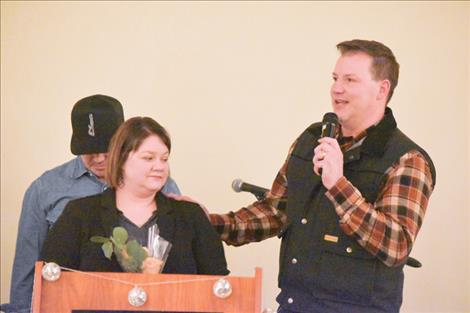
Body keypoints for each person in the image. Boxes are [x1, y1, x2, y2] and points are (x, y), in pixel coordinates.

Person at [210, 40, 436, 313]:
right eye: (335, 78)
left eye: (350, 80)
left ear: (382, 89)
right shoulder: (310, 140)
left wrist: (338, 185)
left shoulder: (408, 160)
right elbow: (275, 211)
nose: (337, 88)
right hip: (294, 304)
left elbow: (395, 245)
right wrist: (206, 225)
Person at [4, 95, 181, 313]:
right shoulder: (45, 189)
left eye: (105, 150)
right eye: (89, 151)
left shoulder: (158, 183)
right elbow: (28, 268)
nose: (98, 158)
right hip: (73, 304)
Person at [40, 117, 229, 276]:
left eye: (164, 158)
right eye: (148, 158)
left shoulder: (190, 216)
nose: (160, 166)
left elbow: (219, 285)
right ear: (121, 159)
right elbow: (51, 282)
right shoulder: (79, 213)